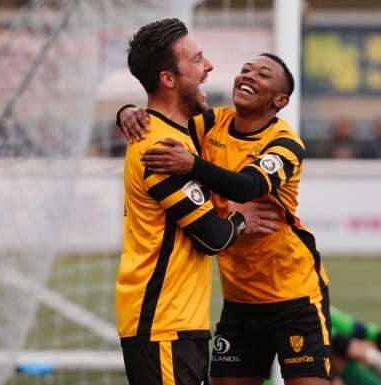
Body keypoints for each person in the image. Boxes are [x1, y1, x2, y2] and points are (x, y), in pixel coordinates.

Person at [119, 53, 331, 385]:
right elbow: (163, 120)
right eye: (246, 69)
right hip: (239, 300)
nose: (248, 75)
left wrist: (192, 166)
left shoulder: (286, 143)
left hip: (294, 296)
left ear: (280, 100)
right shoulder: (211, 123)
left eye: (262, 74)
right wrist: (128, 114)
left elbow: (248, 186)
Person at [115, 19, 280, 385]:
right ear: (168, 79)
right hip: (162, 325)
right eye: (197, 59)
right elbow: (212, 238)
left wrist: (125, 110)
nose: (209, 67)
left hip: (176, 324)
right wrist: (241, 218)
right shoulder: (158, 147)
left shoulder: (179, 134)